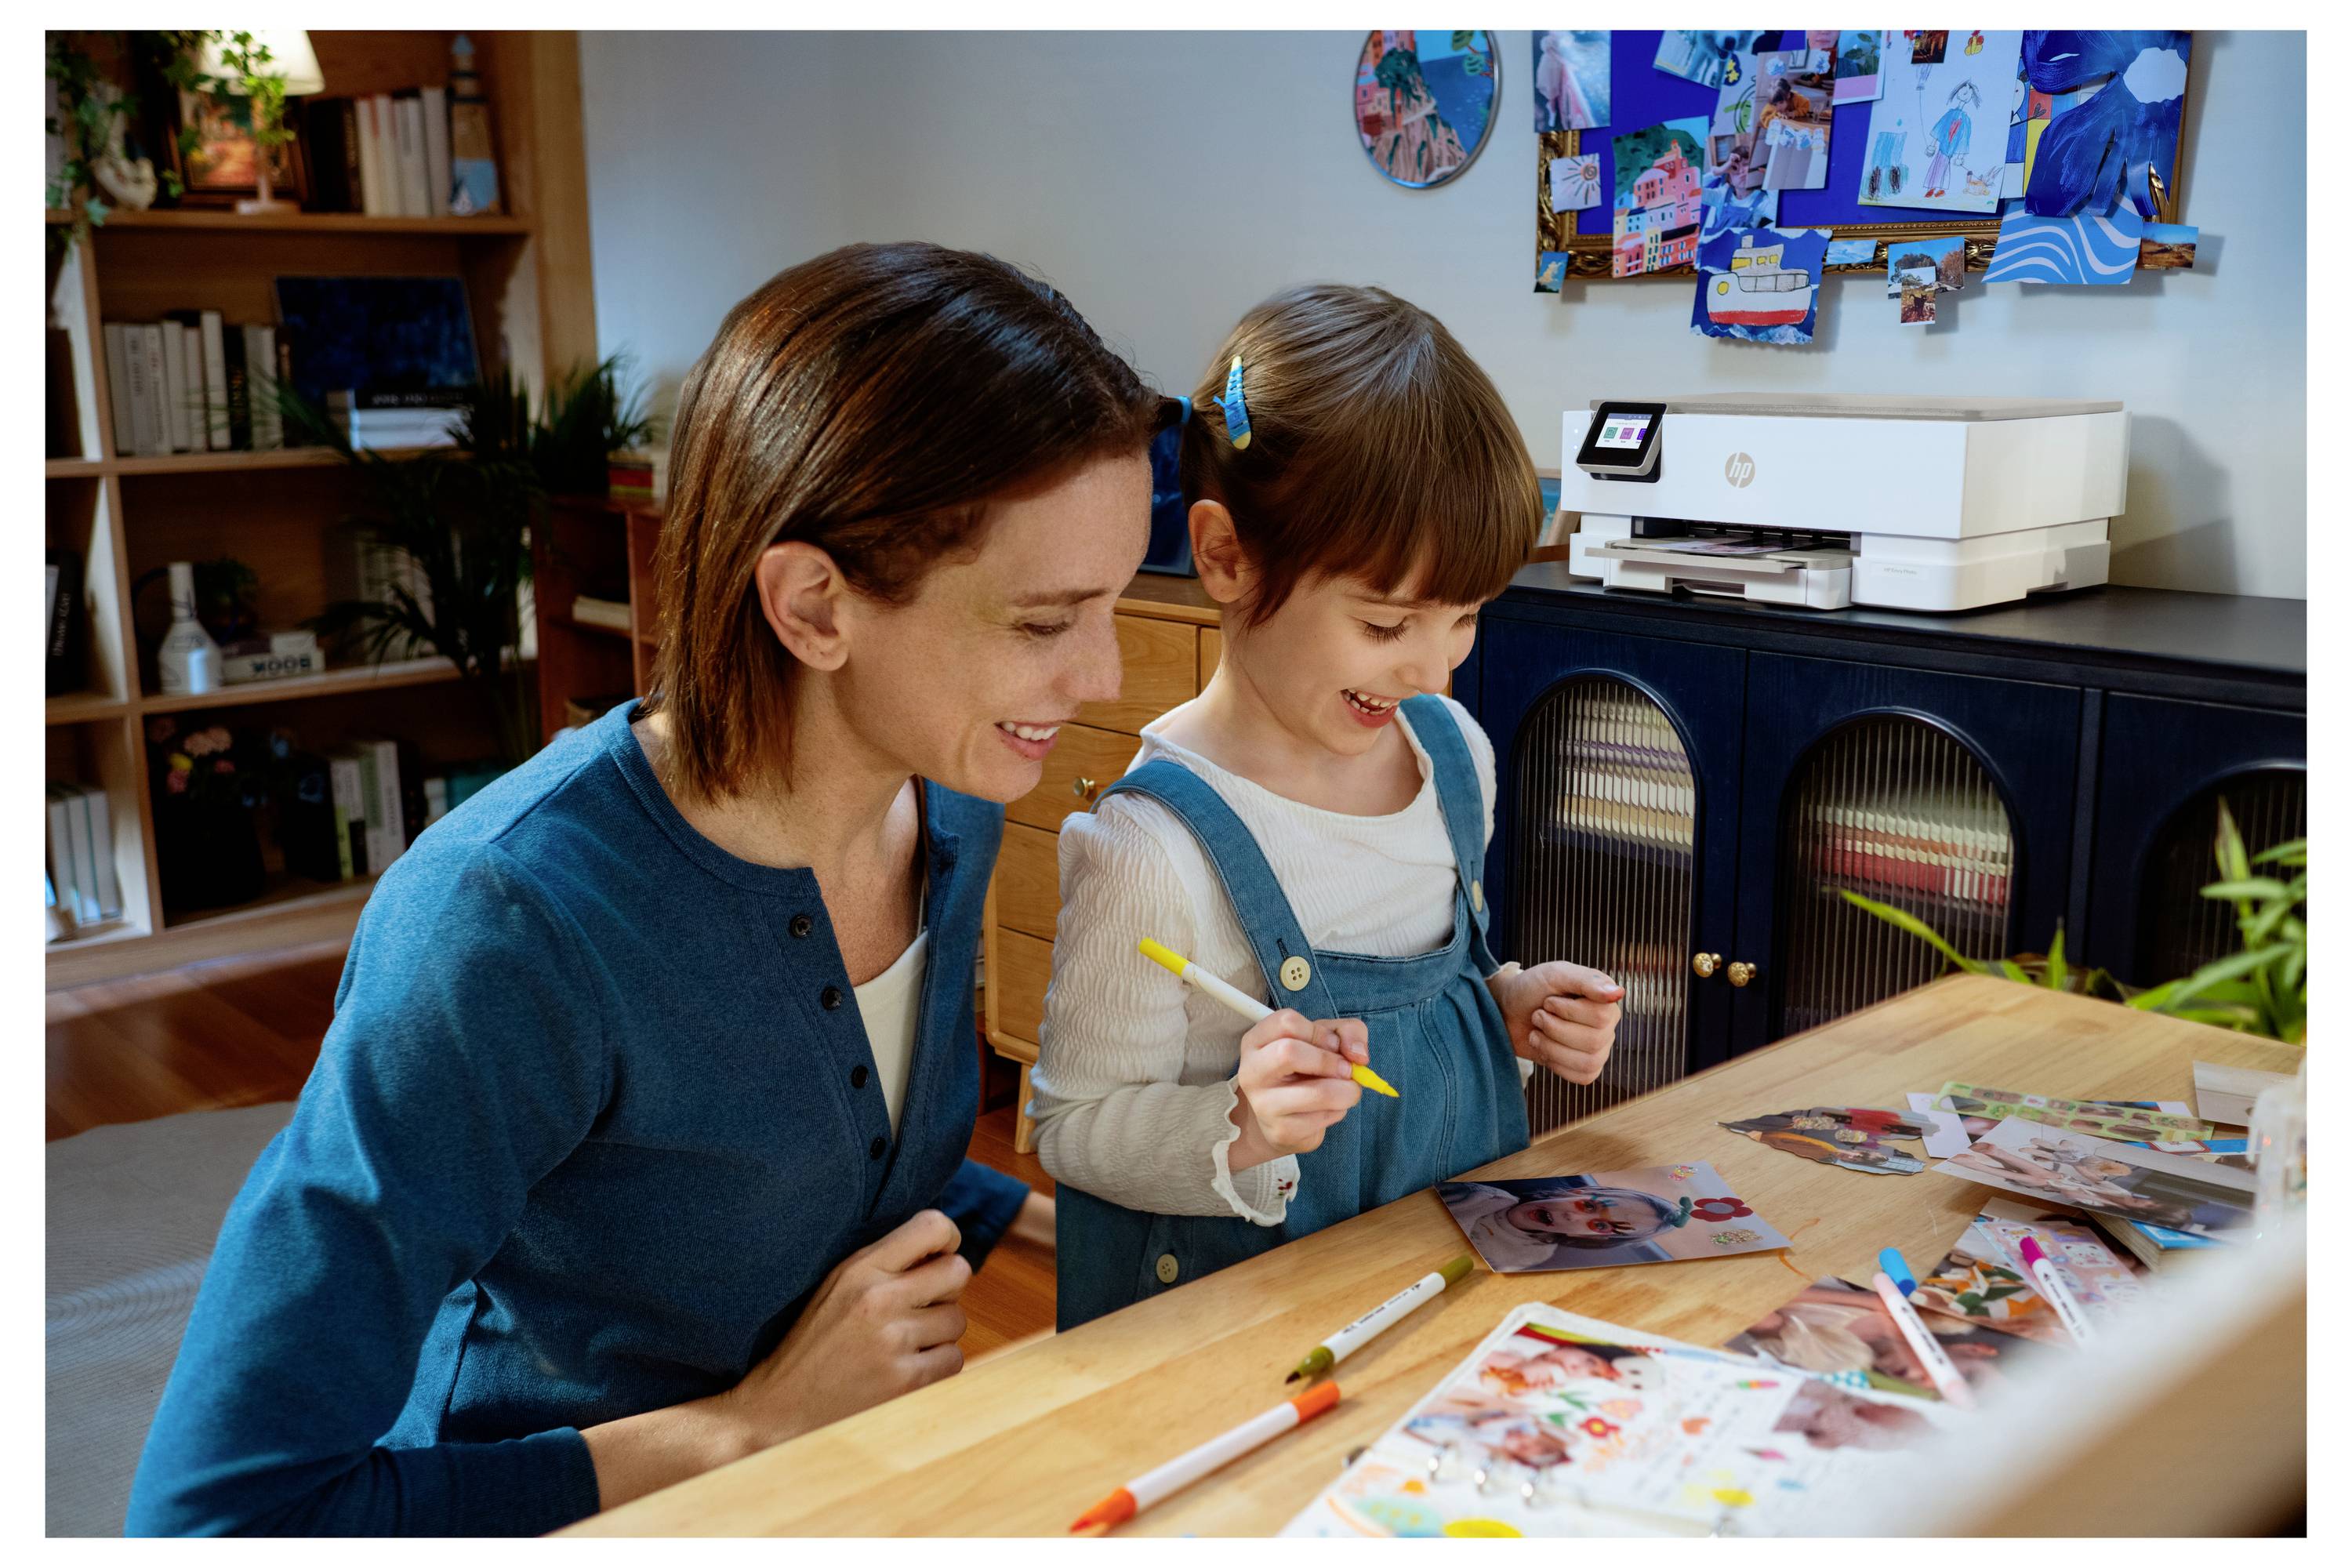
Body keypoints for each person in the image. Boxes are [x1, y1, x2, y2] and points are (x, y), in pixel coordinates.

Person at [126, 243, 1167, 1536]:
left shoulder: (943, 797)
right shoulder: (507, 924)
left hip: (847, 1495)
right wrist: (748, 1430)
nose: (1107, 675)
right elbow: (217, 1516)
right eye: (1043, 620)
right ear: (812, 606)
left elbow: (833, 1143)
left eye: (1116, 603)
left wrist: (1132, 1251)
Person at [1027, 285, 1624, 1328]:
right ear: (1225, 558)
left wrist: (1505, 1010)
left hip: (1441, 1298)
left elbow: (1431, 986)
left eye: (1466, 619)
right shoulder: (1153, 847)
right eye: (1388, 624)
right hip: (1243, 1342)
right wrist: (1242, 1124)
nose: (1434, 671)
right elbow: (1070, 1128)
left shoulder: (1455, 756)